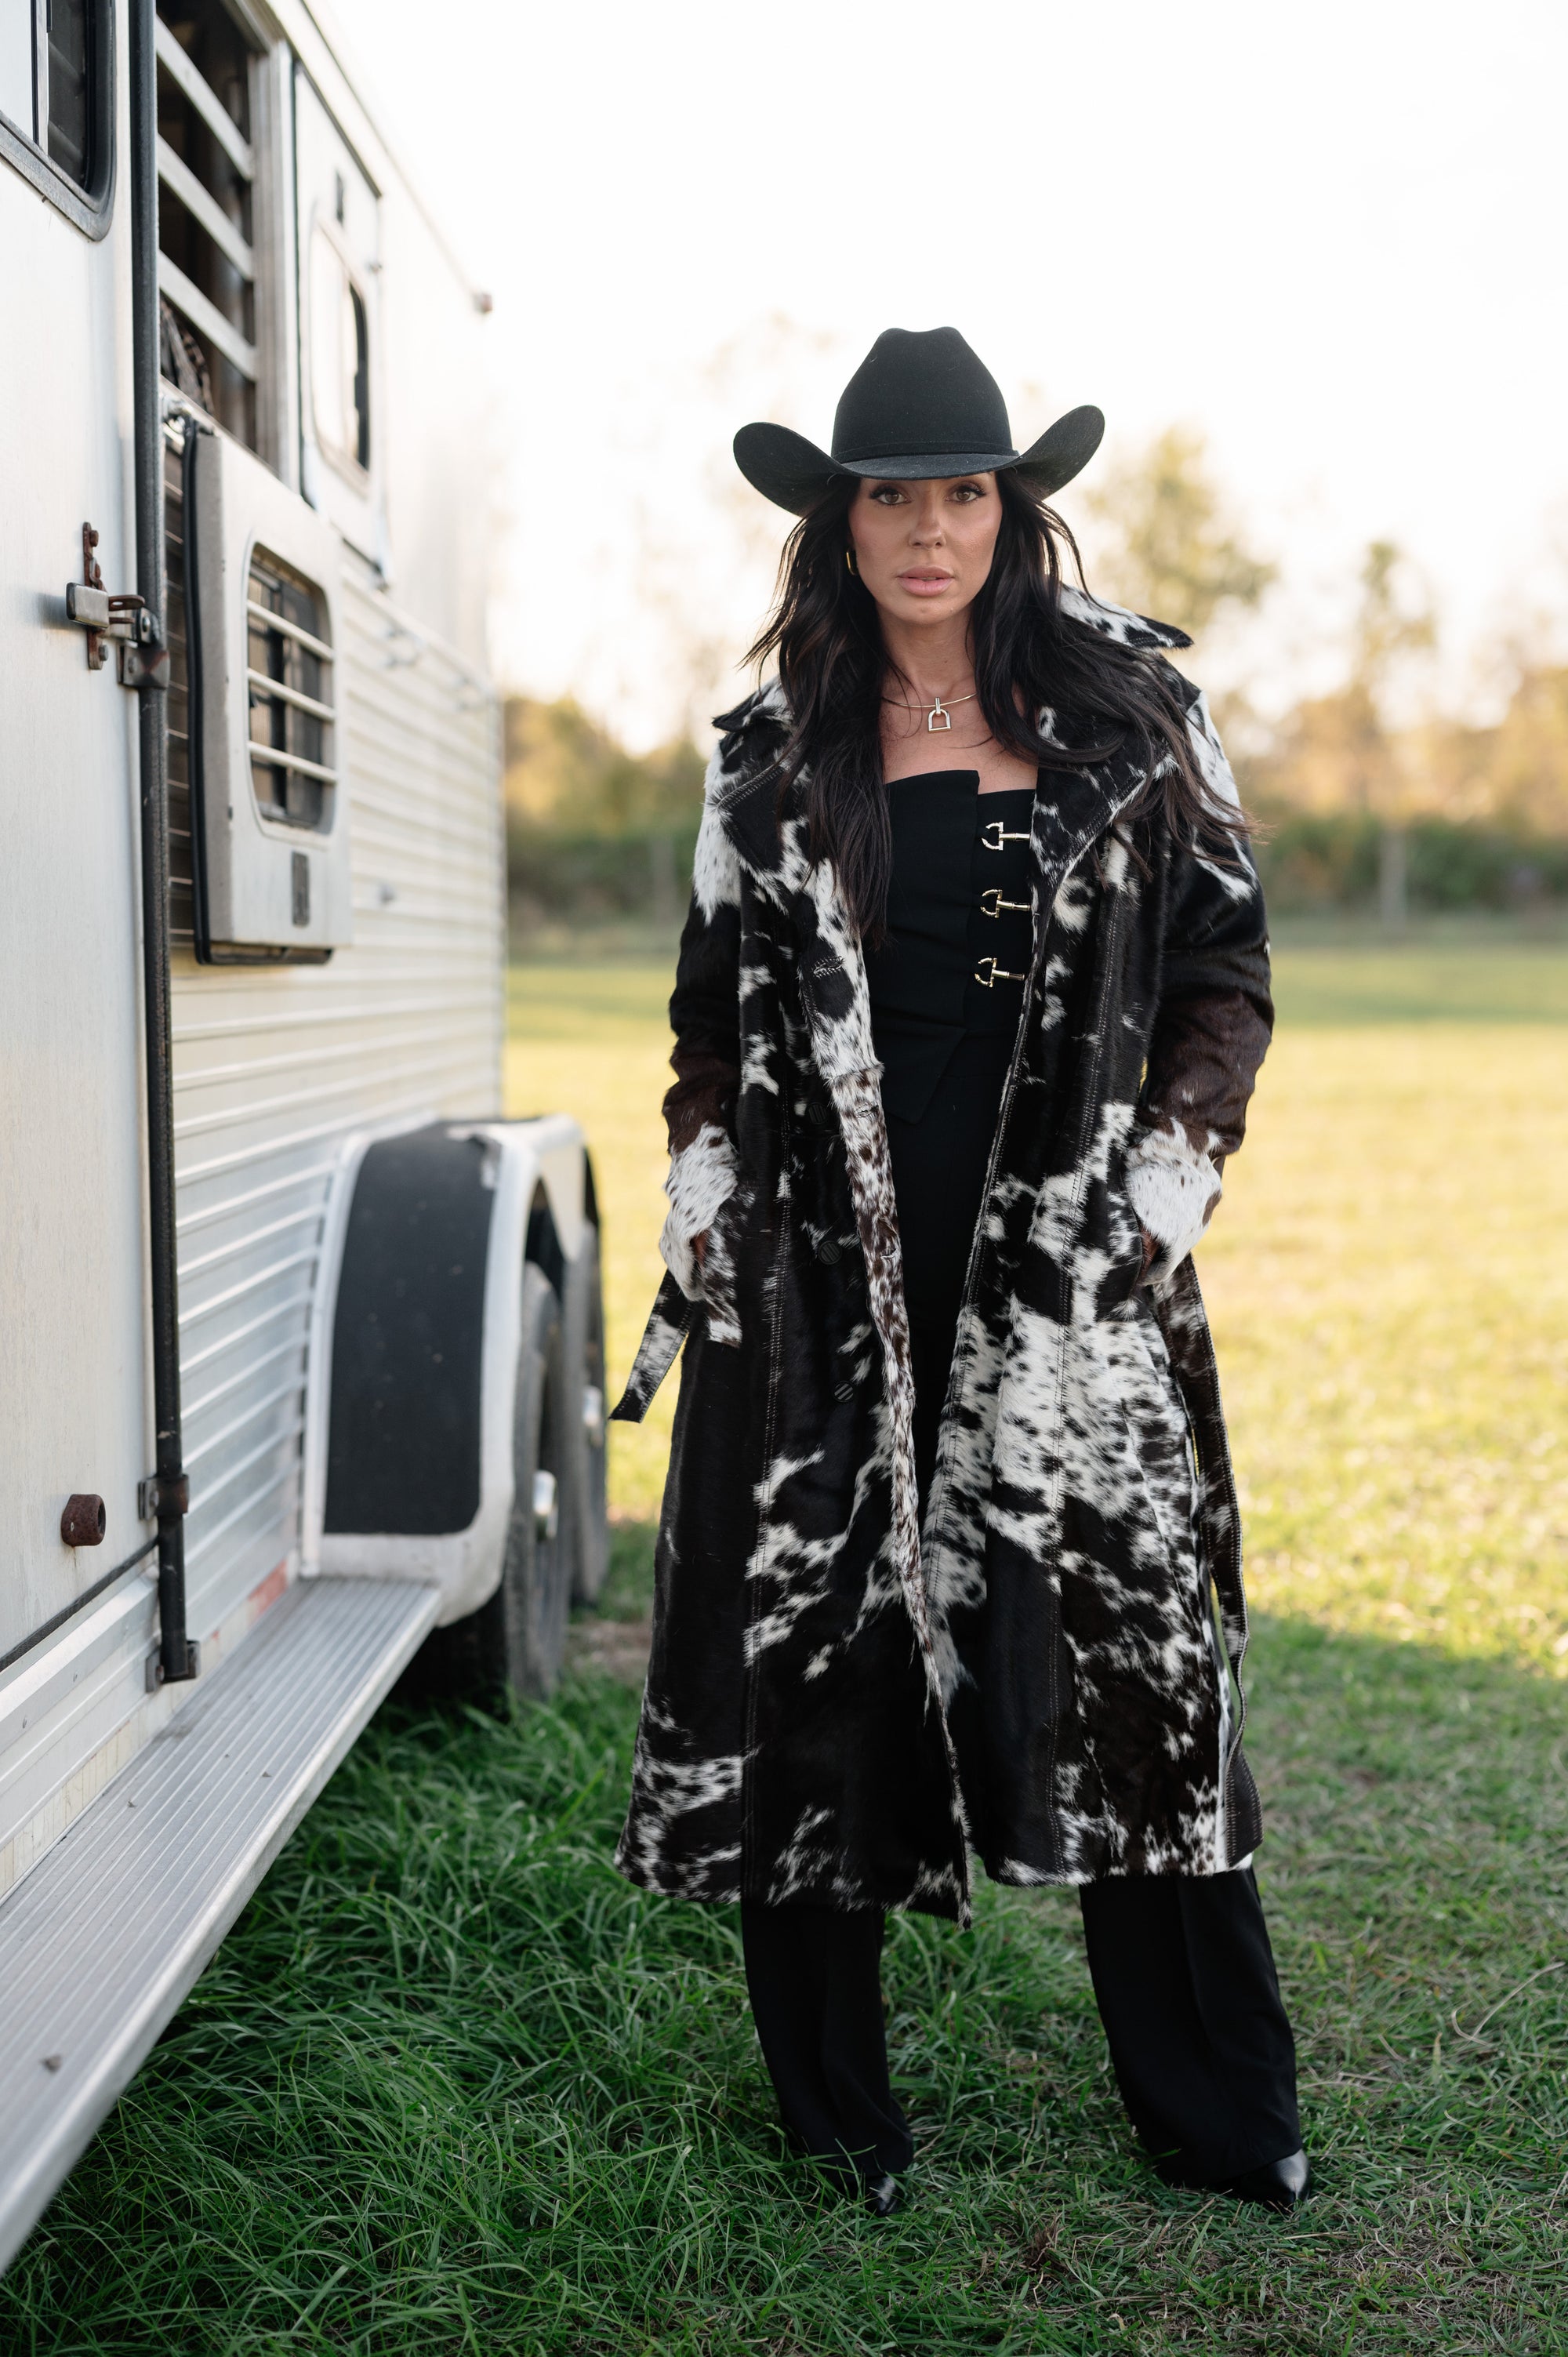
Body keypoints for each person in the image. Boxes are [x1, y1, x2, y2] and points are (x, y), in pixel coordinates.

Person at [611, 328, 1306, 2217]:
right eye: (892, 496)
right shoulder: (765, 756)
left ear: (1013, 511)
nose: (929, 529)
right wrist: (702, 1182)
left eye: (964, 493)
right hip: (820, 1285)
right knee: (814, 1677)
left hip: (1067, 1278)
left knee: (1139, 1685)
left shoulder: (1139, 713)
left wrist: (1161, 1185)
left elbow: (1225, 971)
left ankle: (1221, 2111)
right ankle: (838, 2119)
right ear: (837, 524)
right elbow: (705, 1012)